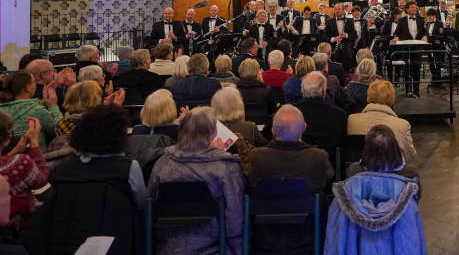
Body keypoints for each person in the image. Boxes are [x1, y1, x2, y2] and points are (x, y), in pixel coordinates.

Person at [48, 105, 147, 254]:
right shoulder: (128, 169)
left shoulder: (63, 169)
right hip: (117, 242)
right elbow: (141, 203)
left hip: (67, 242)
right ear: (120, 136)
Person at [148, 107, 245, 255]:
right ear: (213, 133)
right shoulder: (225, 167)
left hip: (168, 247)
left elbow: (149, 208)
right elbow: (235, 220)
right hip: (215, 248)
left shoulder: (163, 163)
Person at [325, 126, 425, 255]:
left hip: (359, 243)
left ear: (366, 150)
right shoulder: (410, 177)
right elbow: (416, 204)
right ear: (395, 148)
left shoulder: (353, 172)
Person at [249, 104, 333, 192]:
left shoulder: (256, 157)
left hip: (265, 206)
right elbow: (328, 178)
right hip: (306, 206)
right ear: (304, 128)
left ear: (273, 131)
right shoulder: (319, 157)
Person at [348, 80, 415, 160]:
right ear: (392, 97)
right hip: (391, 169)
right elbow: (410, 155)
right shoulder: (403, 125)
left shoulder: (352, 120)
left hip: (359, 169)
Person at [0, 112, 48, 223]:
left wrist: (14, 152)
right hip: (20, 230)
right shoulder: (21, 163)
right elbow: (43, 186)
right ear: (7, 139)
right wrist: (34, 142)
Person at [345, 124, 421, 192]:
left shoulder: (354, 171)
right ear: (394, 147)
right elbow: (415, 199)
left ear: (367, 148)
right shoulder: (410, 174)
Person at [0, 71, 61, 147]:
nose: (36, 83)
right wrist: (53, 106)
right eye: (34, 81)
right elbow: (60, 130)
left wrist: (43, 101)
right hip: (35, 157)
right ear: (27, 88)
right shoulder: (36, 110)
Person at [296, 71, 348, 151]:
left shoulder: (292, 115)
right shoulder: (339, 115)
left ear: (302, 89)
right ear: (324, 91)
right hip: (330, 160)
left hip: (299, 160)